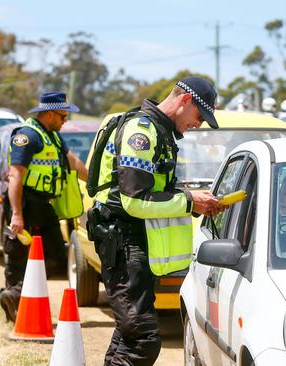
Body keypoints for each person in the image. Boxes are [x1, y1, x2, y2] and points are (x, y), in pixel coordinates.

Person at [87, 77, 225, 365]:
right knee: (141, 339)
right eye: (200, 116)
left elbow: (154, 192)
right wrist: (190, 200)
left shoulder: (160, 131)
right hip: (123, 241)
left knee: (128, 335)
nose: (198, 125)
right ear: (185, 101)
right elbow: (134, 200)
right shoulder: (142, 132)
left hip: (134, 242)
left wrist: (195, 202)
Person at [0, 91, 87, 322]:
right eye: (62, 116)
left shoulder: (54, 137)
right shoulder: (27, 136)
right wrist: (17, 215)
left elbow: (74, 163)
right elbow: (15, 177)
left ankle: (16, 294)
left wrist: (98, 184)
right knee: (18, 257)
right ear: (49, 114)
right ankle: (15, 303)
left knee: (57, 255)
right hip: (24, 204)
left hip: (44, 205)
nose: (65, 121)